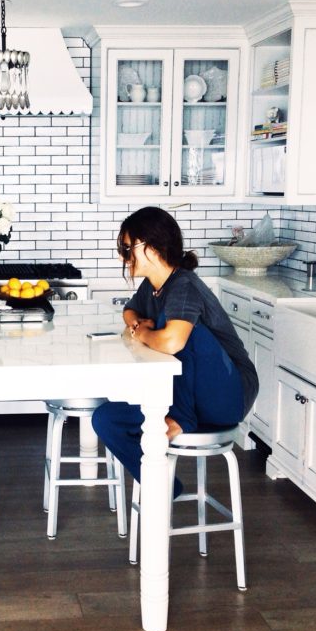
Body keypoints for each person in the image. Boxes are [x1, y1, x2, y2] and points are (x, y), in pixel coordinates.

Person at [92, 206, 259, 495]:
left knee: (183, 332)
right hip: (192, 397)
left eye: (127, 247)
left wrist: (144, 332)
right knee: (105, 419)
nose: (122, 255)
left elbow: (172, 343)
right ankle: (166, 486)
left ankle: (181, 419)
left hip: (228, 394)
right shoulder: (154, 286)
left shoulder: (183, 285)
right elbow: (130, 311)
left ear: (152, 248)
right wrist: (137, 324)